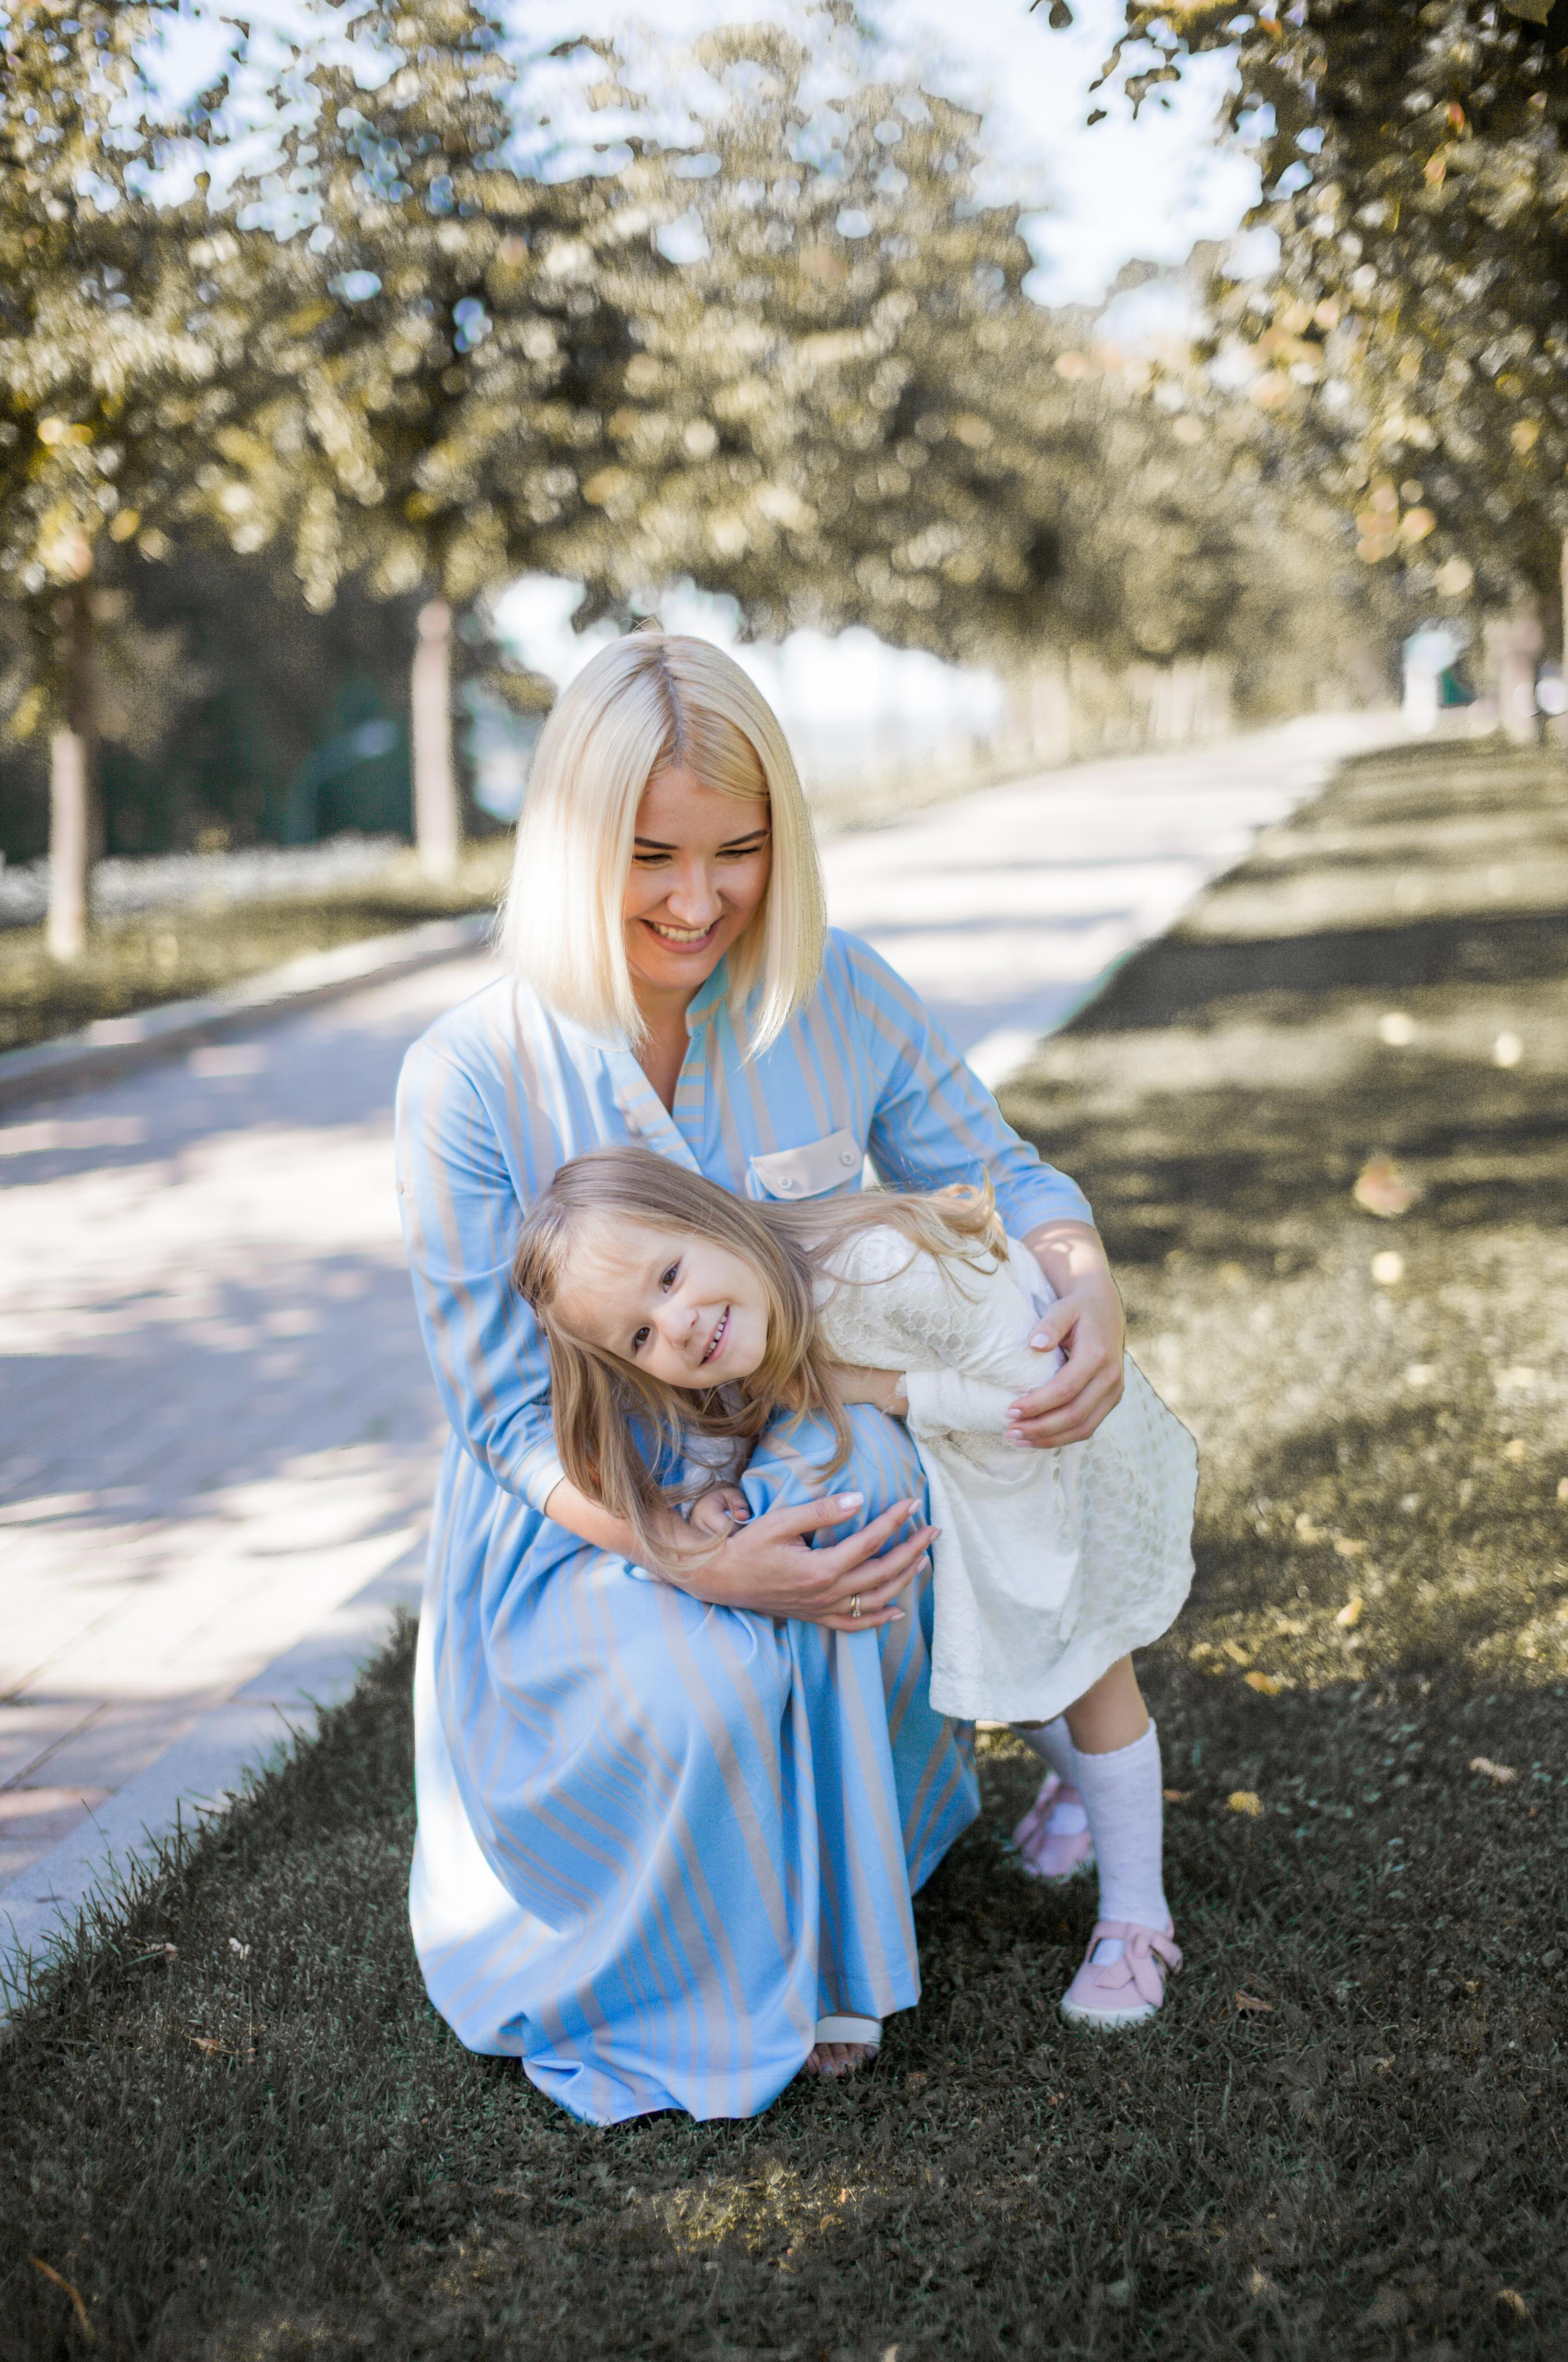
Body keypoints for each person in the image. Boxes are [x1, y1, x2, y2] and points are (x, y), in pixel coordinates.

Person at [394, 629, 1128, 2124]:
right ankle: (720, 1964)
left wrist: (1084, 1273)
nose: (694, 900)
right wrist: (677, 1547)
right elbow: (502, 1419)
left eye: (737, 850)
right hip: (589, 1505)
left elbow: (995, 1171)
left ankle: (850, 1935)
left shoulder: (834, 991)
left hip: (823, 1449)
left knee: (863, 1502)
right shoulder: (467, 1078)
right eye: (649, 853)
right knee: (701, 1699)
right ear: (568, 846)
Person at [514, 1145, 1196, 2029]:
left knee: (1092, 1673)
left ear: (714, 1221)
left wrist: (884, 1389)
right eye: (640, 1336)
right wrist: (719, 1493)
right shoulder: (739, 1326)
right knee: (1014, 1679)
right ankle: (1086, 1795)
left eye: (671, 1275)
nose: (677, 1327)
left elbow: (1043, 1391)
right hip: (972, 1471)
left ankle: (1139, 1920)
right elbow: (745, 1411)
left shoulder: (880, 1267)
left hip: (1062, 1455)